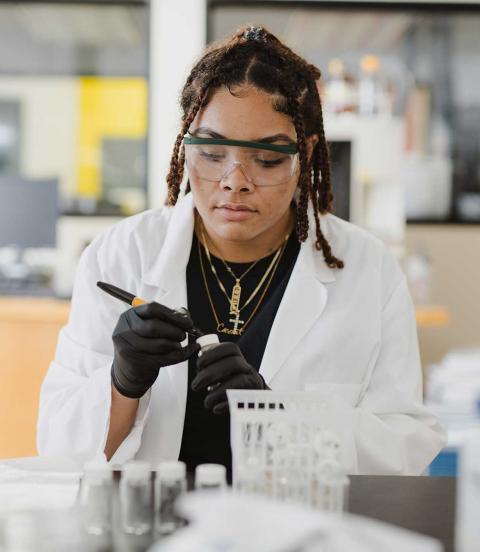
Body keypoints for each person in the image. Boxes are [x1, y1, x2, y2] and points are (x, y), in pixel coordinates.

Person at [37, 26, 445, 475]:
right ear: (185, 146)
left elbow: (405, 446)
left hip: (299, 535)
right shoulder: (122, 253)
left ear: (304, 155)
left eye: (266, 159)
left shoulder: (367, 268)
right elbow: (58, 450)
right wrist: (122, 384)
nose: (235, 180)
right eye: (212, 153)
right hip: (147, 534)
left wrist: (280, 418)